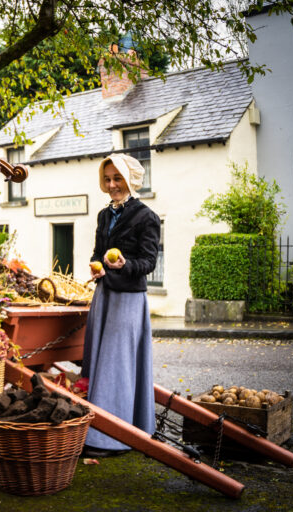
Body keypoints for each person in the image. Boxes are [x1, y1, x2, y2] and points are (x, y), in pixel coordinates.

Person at [81, 154, 160, 458]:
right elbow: (98, 253)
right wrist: (97, 265)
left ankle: (111, 438)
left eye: (117, 179)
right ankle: (95, 428)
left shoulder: (146, 216)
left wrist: (124, 265)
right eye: (108, 179)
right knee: (100, 360)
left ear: (130, 180)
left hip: (128, 299)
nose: (112, 184)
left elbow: (149, 263)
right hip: (104, 295)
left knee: (118, 366)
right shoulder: (104, 215)